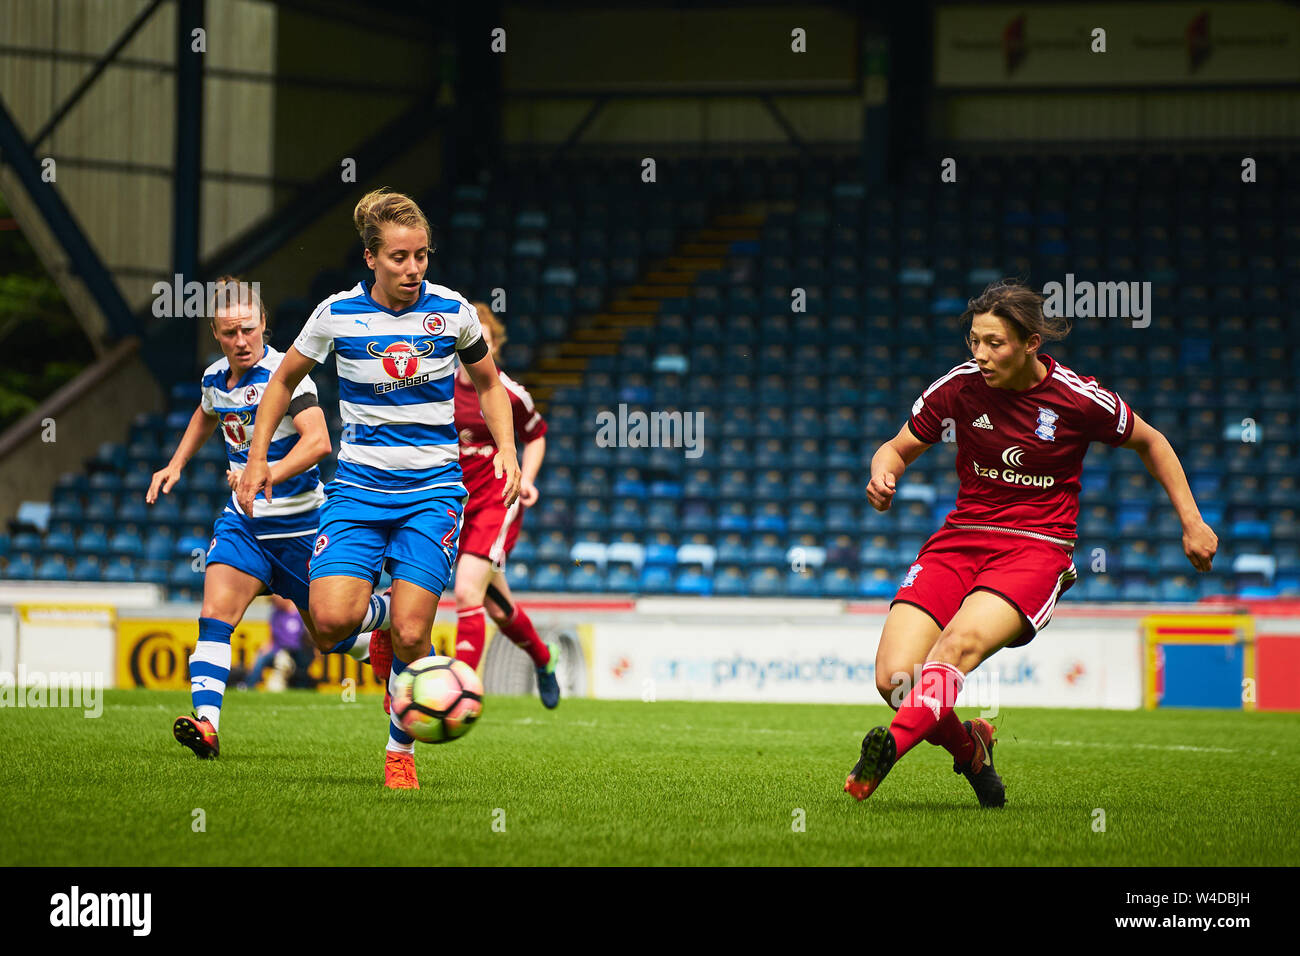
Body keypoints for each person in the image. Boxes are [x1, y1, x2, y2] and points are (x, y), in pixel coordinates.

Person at [844, 279, 1218, 806]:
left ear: (1030, 344)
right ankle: (971, 746)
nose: (980, 354)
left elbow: (1150, 441)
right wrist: (883, 474)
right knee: (895, 679)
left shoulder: (1077, 398)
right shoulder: (958, 386)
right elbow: (896, 447)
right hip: (959, 541)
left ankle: (886, 755)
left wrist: (1192, 522)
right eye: (973, 341)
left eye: (993, 343)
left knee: (955, 649)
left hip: (1035, 546)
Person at [237, 189, 521, 790]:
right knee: (330, 621)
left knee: (417, 635)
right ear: (371, 257)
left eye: (421, 255)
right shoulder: (335, 315)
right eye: (399, 257)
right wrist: (259, 454)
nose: (413, 268)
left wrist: (508, 453)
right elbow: (283, 380)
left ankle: (400, 751)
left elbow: (490, 385)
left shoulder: (453, 313)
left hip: (433, 491)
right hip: (358, 491)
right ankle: (385, 619)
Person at [150, 276, 391, 759]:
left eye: (248, 329)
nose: (240, 341)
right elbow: (207, 413)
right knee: (215, 616)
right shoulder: (215, 377)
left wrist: (267, 473)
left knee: (329, 635)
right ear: (216, 334)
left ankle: (381, 631)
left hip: (303, 526)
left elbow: (319, 442)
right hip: (245, 526)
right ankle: (208, 725)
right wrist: (176, 463)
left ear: (264, 324)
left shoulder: (287, 375)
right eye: (229, 332)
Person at [450, 302, 558, 706]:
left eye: (486, 340)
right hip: (452, 502)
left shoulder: (509, 393)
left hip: (498, 500)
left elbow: (537, 434)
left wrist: (526, 479)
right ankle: (544, 659)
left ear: (493, 346)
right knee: (495, 607)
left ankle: (459, 693)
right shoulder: (440, 389)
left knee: (465, 592)